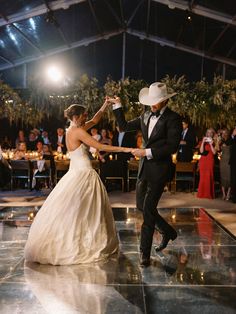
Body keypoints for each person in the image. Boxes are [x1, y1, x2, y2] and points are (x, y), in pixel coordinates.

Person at [24, 101, 133, 265]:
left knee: (82, 211)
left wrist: (105, 105)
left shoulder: (72, 129)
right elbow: (99, 146)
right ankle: (81, 244)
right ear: (76, 117)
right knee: (84, 210)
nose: (87, 117)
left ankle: (82, 239)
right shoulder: (78, 132)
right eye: (84, 115)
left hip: (76, 172)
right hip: (83, 174)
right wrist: (127, 150)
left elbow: (95, 120)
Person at [109, 82, 182, 267]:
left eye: (156, 101)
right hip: (144, 169)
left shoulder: (174, 119)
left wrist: (146, 152)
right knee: (141, 206)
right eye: (150, 101)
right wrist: (118, 106)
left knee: (148, 210)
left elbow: (172, 147)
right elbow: (124, 126)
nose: (152, 104)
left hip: (159, 170)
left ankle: (144, 254)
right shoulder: (145, 115)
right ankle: (167, 231)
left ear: (165, 100)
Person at [197, 128, 216, 199]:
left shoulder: (215, 141)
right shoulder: (203, 141)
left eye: (211, 132)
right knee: (202, 177)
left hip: (210, 161)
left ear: (212, 134)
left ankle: (209, 194)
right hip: (203, 161)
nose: (209, 134)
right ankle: (201, 194)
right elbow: (201, 151)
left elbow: (214, 152)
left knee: (209, 176)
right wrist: (203, 142)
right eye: (208, 132)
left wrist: (211, 144)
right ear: (206, 133)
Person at [219, 129, 232, 200]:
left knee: (229, 176)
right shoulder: (221, 141)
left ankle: (228, 193)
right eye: (222, 133)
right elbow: (218, 149)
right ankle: (224, 194)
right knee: (222, 176)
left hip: (229, 160)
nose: (224, 134)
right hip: (223, 160)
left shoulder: (231, 141)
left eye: (225, 133)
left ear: (228, 133)